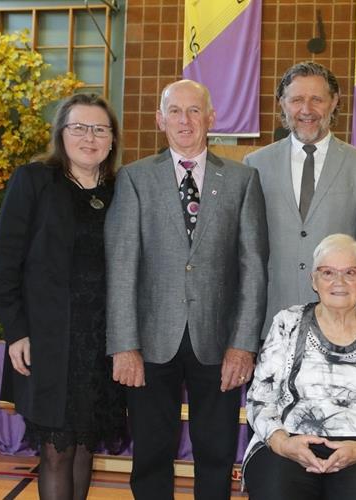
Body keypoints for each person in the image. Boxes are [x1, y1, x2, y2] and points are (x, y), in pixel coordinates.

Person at [104, 80, 268, 500]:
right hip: (149, 343)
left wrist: (243, 345)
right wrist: (124, 345)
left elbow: (253, 269)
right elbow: (122, 266)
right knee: (152, 454)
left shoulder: (242, 180)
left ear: (211, 118)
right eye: (175, 111)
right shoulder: (135, 179)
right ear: (160, 119)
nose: (185, 120)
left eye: (194, 111)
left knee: (215, 453)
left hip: (218, 345)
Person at [0, 93, 125, 500]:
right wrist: (17, 332)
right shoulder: (34, 181)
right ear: (60, 134)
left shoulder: (122, 188)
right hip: (48, 345)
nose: (90, 137)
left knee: (85, 446)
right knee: (56, 451)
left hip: (102, 345)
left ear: (112, 139)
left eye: (100, 129)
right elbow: (3, 266)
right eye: (79, 127)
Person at [242, 234, 356, 500]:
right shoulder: (288, 322)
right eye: (328, 272)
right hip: (289, 439)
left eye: (351, 272)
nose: (339, 282)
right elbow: (259, 399)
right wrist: (282, 443)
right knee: (276, 491)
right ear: (314, 280)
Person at [244, 61, 356, 336]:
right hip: (273, 321)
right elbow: (247, 255)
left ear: (334, 102)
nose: (306, 110)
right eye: (297, 100)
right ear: (282, 104)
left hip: (341, 322)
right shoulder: (255, 165)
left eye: (316, 99)